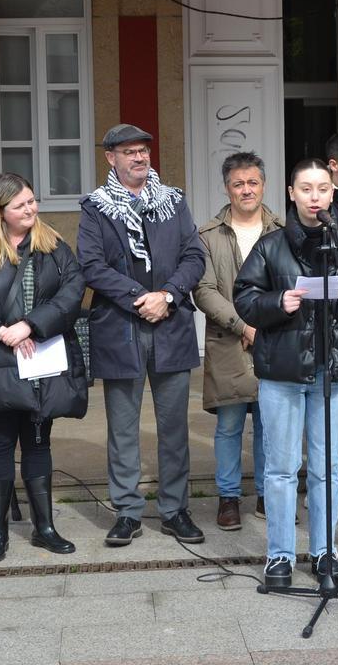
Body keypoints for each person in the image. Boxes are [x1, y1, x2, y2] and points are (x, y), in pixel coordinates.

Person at [234, 158, 338, 588]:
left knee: (326, 468)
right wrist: (278, 302)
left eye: (323, 189)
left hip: (332, 372)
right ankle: (279, 555)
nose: (315, 197)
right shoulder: (270, 246)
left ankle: (325, 551)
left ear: (333, 194)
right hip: (283, 372)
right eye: (306, 189)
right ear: (291, 194)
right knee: (280, 468)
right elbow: (244, 298)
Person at [0, 173, 89, 562]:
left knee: (38, 441)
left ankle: (44, 528)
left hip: (42, 357)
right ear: (0, 210)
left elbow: (73, 290)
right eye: (21, 204)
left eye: (32, 201)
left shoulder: (52, 244)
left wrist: (31, 325)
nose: (31, 209)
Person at [78, 123, 206, 547]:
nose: (139, 157)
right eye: (129, 152)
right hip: (121, 328)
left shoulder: (173, 201)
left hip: (171, 325)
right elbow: (91, 265)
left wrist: (167, 295)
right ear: (110, 158)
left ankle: (175, 510)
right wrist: (141, 298)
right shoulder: (96, 208)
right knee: (123, 429)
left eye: (143, 151)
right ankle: (128, 512)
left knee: (174, 428)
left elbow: (194, 255)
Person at [194, 152, 283, 530]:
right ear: (227, 188)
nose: (246, 190)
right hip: (228, 341)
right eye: (238, 184)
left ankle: (266, 494)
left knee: (269, 424)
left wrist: (266, 322)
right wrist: (243, 326)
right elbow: (204, 289)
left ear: (263, 185)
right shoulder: (208, 235)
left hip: (274, 339)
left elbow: (291, 283)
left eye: (253, 183)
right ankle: (228, 497)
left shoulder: (283, 230)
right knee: (229, 426)